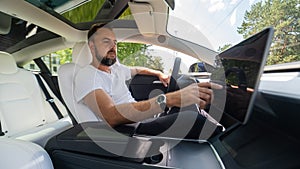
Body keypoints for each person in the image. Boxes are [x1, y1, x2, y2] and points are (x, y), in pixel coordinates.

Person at [74, 23, 223, 139]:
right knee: (192, 118)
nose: (113, 47)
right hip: (131, 130)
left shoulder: (116, 70)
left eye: (115, 43)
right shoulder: (86, 75)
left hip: (145, 119)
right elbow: (111, 116)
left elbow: (138, 70)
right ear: (92, 46)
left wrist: (159, 74)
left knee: (191, 106)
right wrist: (170, 99)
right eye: (106, 42)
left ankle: (221, 133)